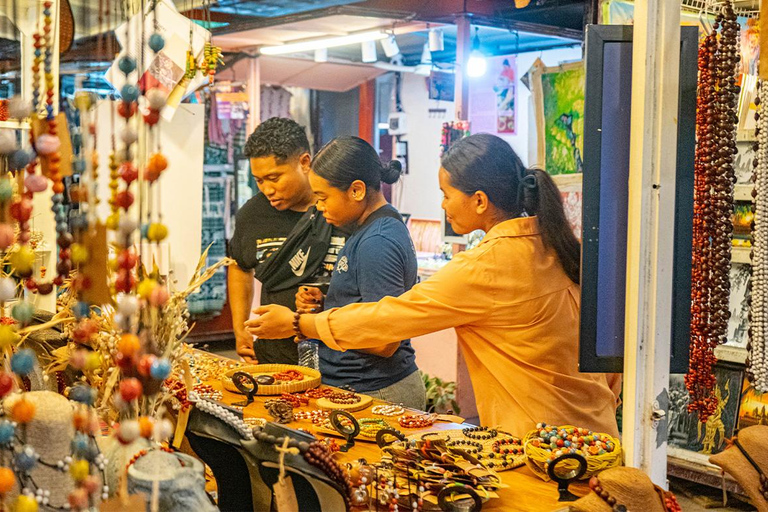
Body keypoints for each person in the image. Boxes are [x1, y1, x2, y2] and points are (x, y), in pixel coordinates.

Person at [248, 133, 621, 437]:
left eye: (446, 194)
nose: (442, 206)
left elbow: (389, 319)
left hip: (541, 441)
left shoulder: (487, 265)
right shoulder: (555, 245)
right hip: (593, 433)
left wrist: (300, 324)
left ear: (478, 200)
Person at [267, 136, 425, 409]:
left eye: (323, 197)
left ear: (357, 190)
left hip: (376, 391)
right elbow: (366, 307)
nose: (319, 206)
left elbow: (384, 340)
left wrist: (300, 324)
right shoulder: (370, 229)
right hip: (363, 387)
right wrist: (327, 303)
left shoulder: (378, 240)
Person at [228, 117, 344, 364]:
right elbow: (239, 266)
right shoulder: (252, 215)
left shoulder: (340, 209)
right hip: (275, 358)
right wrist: (239, 329)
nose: (267, 189)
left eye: (274, 177)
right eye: (259, 180)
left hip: (339, 359)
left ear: (304, 163)